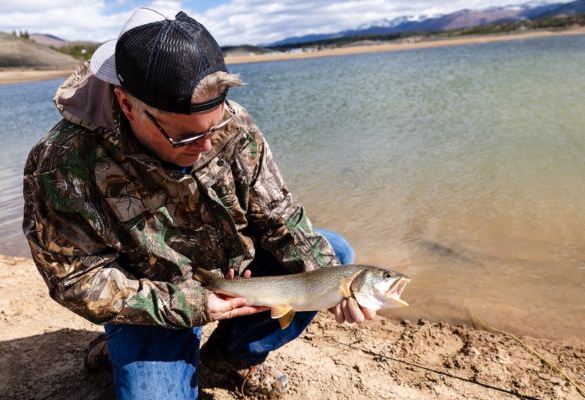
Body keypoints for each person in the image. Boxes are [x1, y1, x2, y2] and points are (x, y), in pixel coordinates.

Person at [23, 7, 374, 399]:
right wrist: (190, 303)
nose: (207, 146)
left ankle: (227, 361)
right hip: (152, 305)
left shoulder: (232, 125)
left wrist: (335, 281)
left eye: (215, 127)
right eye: (185, 137)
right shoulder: (61, 163)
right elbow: (75, 279)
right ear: (127, 105)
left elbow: (280, 218)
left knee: (335, 253)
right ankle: (124, 350)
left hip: (239, 281)